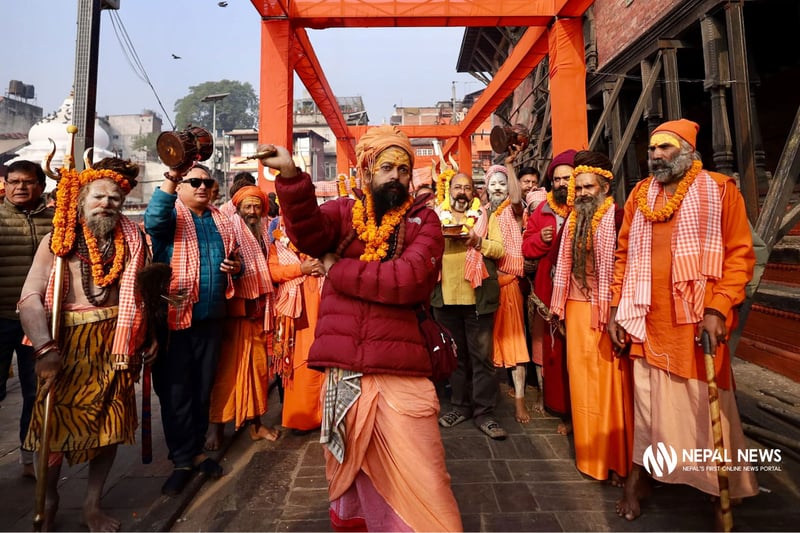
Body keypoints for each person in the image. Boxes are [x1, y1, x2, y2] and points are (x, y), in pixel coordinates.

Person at [259, 124, 461, 531]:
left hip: (402, 367)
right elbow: (309, 234)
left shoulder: (425, 222)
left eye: (404, 170)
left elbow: (408, 281)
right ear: (367, 173)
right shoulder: (343, 213)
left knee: (427, 474)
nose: (397, 178)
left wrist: (338, 269)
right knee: (352, 472)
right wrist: (291, 178)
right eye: (387, 168)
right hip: (346, 367)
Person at [608, 119, 759, 525]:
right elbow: (622, 257)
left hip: (697, 321)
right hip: (645, 318)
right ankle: (638, 478)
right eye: (652, 148)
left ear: (689, 151)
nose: (654, 155)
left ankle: (716, 486)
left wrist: (717, 308)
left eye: (665, 147)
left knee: (705, 410)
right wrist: (615, 308)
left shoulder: (720, 190)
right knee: (646, 408)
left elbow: (740, 256)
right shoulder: (641, 195)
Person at [19, 158, 151, 531]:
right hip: (65, 343)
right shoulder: (57, 240)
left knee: (108, 424)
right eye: (98, 196)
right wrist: (44, 348)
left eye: (114, 198)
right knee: (52, 424)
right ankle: (48, 497)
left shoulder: (135, 240)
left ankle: (92, 503)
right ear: (81, 199)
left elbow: (143, 296)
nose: (106, 203)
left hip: (116, 344)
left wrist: (148, 339)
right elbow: (29, 296)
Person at [144, 163, 241, 496]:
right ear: (181, 187)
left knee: (202, 390)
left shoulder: (222, 220)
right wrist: (171, 177)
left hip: (211, 318)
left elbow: (235, 258)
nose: (202, 187)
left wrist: (237, 267)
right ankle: (182, 459)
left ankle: (197, 450)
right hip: (173, 321)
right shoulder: (171, 219)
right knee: (175, 394)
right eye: (194, 182)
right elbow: (154, 219)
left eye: (207, 182)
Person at [549, 151, 632, 486]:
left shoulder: (617, 217)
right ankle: (590, 457)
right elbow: (563, 268)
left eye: (588, 186)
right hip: (575, 308)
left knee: (609, 388)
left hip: (606, 313)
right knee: (581, 387)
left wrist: (617, 313)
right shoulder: (571, 220)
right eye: (578, 187)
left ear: (604, 187)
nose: (582, 193)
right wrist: (558, 309)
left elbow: (626, 269)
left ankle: (615, 460)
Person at [206, 185, 279, 451]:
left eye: (257, 207)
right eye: (247, 206)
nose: (252, 211)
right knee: (226, 373)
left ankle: (256, 425)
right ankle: (216, 426)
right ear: (238, 207)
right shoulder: (229, 228)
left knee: (259, 372)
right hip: (235, 313)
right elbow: (225, 262)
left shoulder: (264, 230)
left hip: (258, 312)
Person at [435, 171, 507, 440]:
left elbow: (501, 250)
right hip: (445, 298)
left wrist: (478, 241)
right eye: (457, 188)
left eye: (467, 188)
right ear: (449, 191)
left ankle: (485, 413)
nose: (462, 192)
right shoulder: (436, 217)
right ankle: (460, 406)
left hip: (477, 298)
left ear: (473, 193)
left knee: (482, 360)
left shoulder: (487, 217)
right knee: (455, 359)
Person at [0, 160, 53, 479]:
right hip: (1, 316)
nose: (21, 187)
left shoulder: (56, 222)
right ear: (4, 184)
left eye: (28, 181)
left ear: (41, 186)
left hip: (39, 322)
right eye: (14, 181)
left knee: (37, 391)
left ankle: (29, 454)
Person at [521, 149, 576, 434]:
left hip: (578, 295)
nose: (562, 183)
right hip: (546, 291)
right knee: (550, 351)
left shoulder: (587, 206)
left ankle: (574, 412)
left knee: (574, 354)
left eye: (567, 177)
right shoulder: (541, 211)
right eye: (557, 179)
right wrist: (541, 241)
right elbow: (525, 247)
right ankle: (554, 401)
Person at [268, 215, 325, 434]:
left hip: (323, 306)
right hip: (293, 312)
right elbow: (273, 272)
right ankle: (304, 418)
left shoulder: (322, 241)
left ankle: (326, 415)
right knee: (299, 363)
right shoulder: (277, 244)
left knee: (324, 358)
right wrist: (301, 269)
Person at [483, 163, 531, 424]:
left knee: (515, 344)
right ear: (486, 188)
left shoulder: (514, 211)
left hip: (510, 283)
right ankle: (490, 399)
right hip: (489, 284)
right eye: (493, 184)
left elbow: (515, 197)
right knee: (487, 344)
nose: (498, 188)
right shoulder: (481, 213)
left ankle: (520, 401)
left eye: (502, 184)